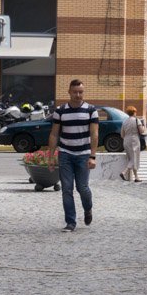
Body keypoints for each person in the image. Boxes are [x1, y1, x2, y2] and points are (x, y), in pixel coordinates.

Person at [47, 79, 98, 232]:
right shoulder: (60, 111)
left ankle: (88, 209)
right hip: (65, 154)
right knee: (67, 189)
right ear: (69, 92)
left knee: (83, 188)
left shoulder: (91, 110)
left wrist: (92, 156)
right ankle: (70, 222)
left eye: (80, 92)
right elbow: (54, 134)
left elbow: (94, 134)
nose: (78, 95)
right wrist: (51, 156)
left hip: (83, 154)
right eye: (75, 92)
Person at [119, 106, 146, 182]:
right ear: (134, 112)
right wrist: (144, 126)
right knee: (134, 159)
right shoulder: (137, 120)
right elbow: (141, 131)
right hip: (134, 140)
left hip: (126, 140)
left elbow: (122, 135)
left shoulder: (125, 122)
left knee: (131, 158)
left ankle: (136, 177)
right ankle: (124, 172)